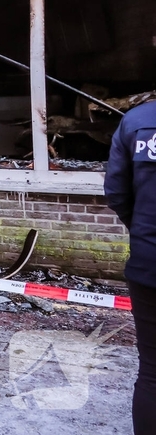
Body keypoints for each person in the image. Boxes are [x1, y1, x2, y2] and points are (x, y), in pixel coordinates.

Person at [105, 101, 156, 433]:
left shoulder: (137, 120)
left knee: (152, 372)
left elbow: (116, 192)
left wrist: (142, 232)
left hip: (149, 264)